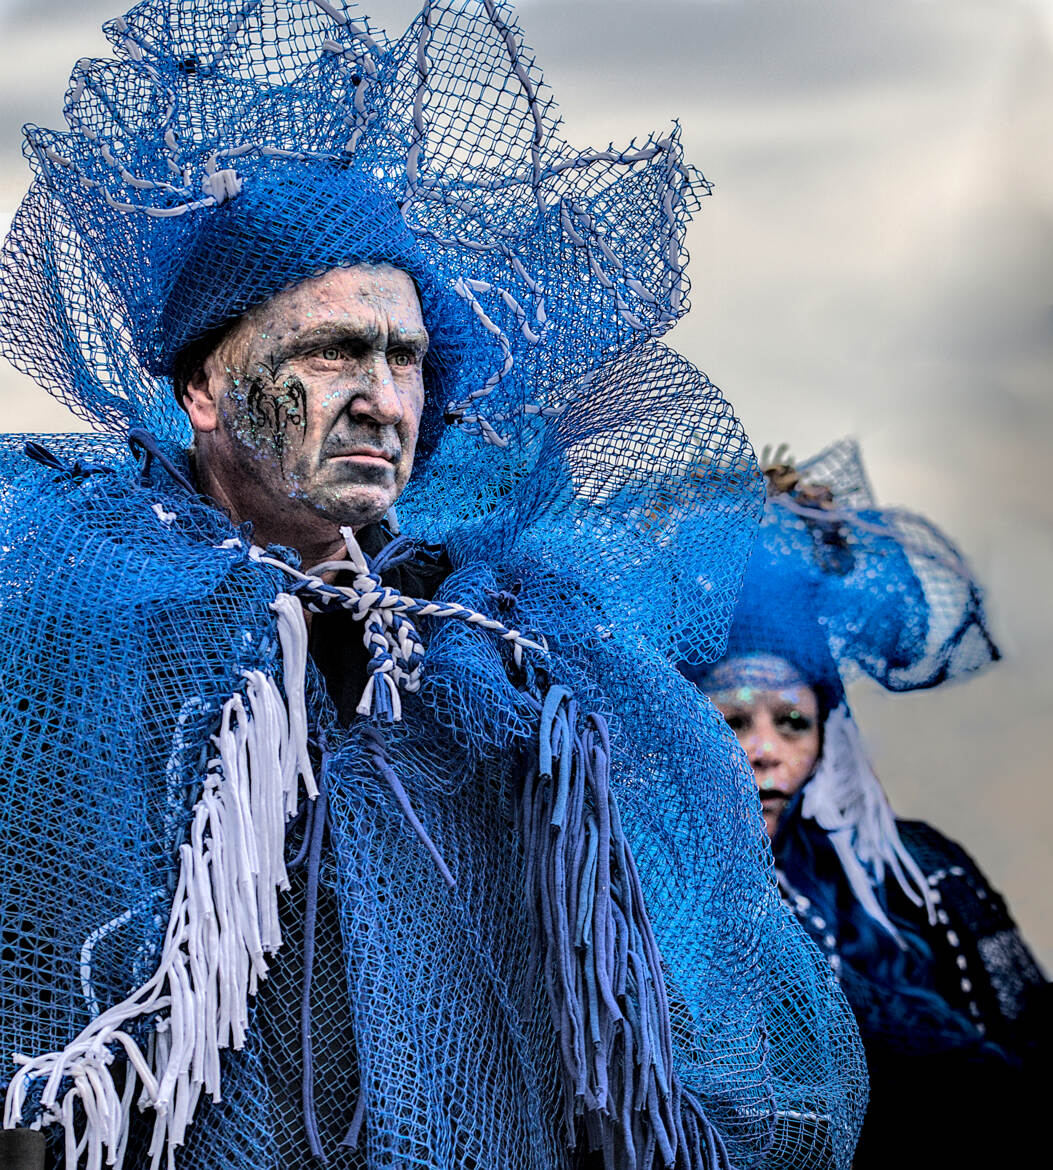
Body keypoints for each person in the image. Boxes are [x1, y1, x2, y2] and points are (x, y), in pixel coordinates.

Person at [0, 3, 867, 1169]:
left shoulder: (491, 652)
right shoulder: (74, 622)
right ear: (205, 390)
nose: (383, 399)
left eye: (403, 357)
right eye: (328, 351)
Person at [683, 439, 1049, 1167]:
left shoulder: (922, 876)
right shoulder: (637, 903)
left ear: (826, 735)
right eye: (731, 719)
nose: (763, 750)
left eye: (793, 722)